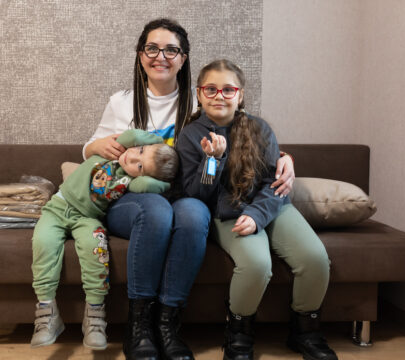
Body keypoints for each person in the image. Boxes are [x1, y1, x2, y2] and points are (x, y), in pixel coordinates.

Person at [84, 19, 295, 360]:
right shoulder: (123, 102)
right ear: (141, 55)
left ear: (183, 59)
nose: (161, 56)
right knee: (155, 210)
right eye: (152, 48)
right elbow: (89, 147)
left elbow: (241, 137)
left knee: (195, 213)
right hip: (131, 199)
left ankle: (168, 324)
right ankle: (140, 324)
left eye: (171, 50)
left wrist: (284, 157)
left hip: (182, 196)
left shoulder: (199, 102)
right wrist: (97, 146)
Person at [176, 59, 337, 360]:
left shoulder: (260, 129)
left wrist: (258, 215)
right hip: (227, 213)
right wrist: (214, 160)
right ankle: (238, 335)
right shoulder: (188, 136)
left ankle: (305, 331)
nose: (219, 95)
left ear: (240, 95)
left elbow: (273, 184)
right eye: (210, 89)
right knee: (257, 264)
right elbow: (197, 194)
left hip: (270, 206)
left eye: (228, 89)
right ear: (199, 94)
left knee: (315, 258)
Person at [30, 129, 178, 351]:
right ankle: (46, 312)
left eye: (140, 166)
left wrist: (159, 173)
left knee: (96, 251)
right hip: (56, 209)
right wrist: (155, 143)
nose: (133, 157)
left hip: (87, 219)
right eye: (139, 151)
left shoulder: (130, 182)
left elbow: (153, 187)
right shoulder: (113, 151)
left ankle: (95, 317)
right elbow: (130, 138)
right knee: (43, 242)